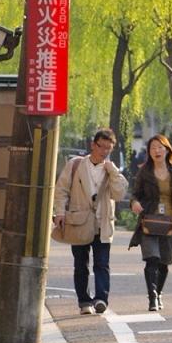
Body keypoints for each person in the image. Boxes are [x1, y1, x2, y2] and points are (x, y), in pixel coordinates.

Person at [53, 128, 128, 315]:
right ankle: (84, 301)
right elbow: (61, 190)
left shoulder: (110, 170)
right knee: (81, 264)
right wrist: (60, 212)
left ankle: (101, 299)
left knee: (102, 263)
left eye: (108, 148)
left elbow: (119, 194)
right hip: (80, 221)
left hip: (103, 223)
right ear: (93, 145)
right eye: (101, 147)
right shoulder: (76, 165)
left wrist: (113, 172)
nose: (104, 151)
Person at [128, 133, 172, 311]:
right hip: (149, 221)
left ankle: (159, 292)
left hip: (169, 223)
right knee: (152, 259)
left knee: (164, 262)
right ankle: (152, 297)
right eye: (153, 148)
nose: (157, 151)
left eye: (160, 147)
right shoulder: (144, 172)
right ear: (149, 152)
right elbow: (135, 194)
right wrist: (134, 203)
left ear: (167, 150)